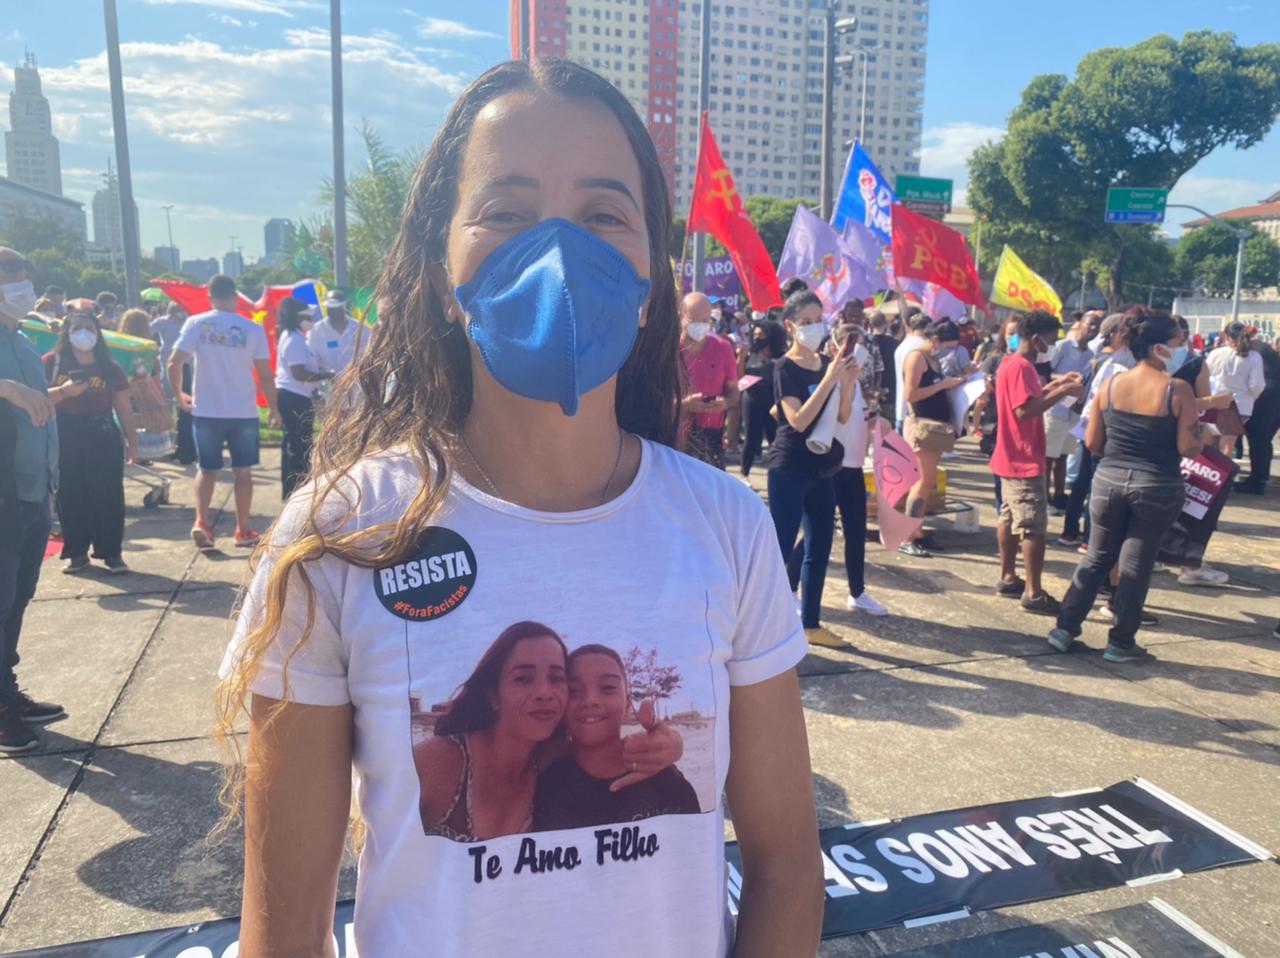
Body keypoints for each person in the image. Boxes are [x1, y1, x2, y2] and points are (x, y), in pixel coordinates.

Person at [215, 59, 822, 958]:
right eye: (506, 211)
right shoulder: (342, 534)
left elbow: (784, 869)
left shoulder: (725, 525)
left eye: (603, 216)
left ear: (654, 273)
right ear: (439, 271)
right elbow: (284, 932)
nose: (559, 254)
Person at [1048, 312, 1203, 662]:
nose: (1184, 349)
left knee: (1096, 557)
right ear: (1160, 349)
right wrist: (1202, 435)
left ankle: (1064, 628)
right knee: (1136, 565)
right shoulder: (1177, 389)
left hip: (1109, 480)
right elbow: (1187, 448)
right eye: (1179, 343)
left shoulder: (1111, 385)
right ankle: (1120, 642)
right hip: (1157, 484)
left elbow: (1092, 442)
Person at [0, 247, 65, 754]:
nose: (20, 289)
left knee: (17, 596)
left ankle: (8, 691)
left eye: (23, 279)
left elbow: (37, 411)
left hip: (30, 486)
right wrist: (7, 389)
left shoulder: (21, 339)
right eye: (11, 280)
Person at [766, 290, 858, 648]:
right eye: (805, 322)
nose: (813, 328)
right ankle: (767, 624)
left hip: (823, 467)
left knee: (819, 545)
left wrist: (846, 382)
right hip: (789, 465)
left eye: (818, 320)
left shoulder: (826, 363)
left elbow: (843, 415)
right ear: (790, 326)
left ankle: (811, 622)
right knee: (780, 546)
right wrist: (829, 378)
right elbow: (799, 420)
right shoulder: (783, 368)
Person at [533, 643, 699, 831]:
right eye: (574, 691)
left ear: (627, 703)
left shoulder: (667, 783)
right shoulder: (548, 785)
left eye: (607, 687)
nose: (590, 700)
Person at [168, 274, 281, 550]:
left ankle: (201, 522)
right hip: (242, 410)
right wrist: (274, 408)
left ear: (210, 297)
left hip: (206, 408)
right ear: (235, 297)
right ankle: (242, 529)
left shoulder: (196, 323)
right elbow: (266, 375)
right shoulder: (251, 329)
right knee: (243, 473)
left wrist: (179, 393)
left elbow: (174, 362)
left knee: (207, 471)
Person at [992, 310, 1084, 615]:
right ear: (1036, 338)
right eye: (1051, 339)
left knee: (1008, 518)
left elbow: (1029, 398)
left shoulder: (1012, 363)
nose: (1054, 344)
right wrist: (1065, 392)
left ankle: (1008, 576)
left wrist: (1058, 387)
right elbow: (1025, 411)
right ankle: (1033, 591)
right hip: (1024, 457)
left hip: (1009, 454)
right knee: (1033, 526)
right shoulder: (1022, 367)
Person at [43, 300, 139, 574]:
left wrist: (133, 442)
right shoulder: (52, 363)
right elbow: (39, 398)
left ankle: (111, 553)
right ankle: (77, 553)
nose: (83, 333)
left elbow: (123, 407)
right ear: (67, 332)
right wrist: (64, 392)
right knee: (70, 493)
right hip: (65, 432)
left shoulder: (110, 368)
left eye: (89, 328)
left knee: (107, 493)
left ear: (97, 334)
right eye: (77, 328)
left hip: (103, 433)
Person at [1059, 312, 1134, 549]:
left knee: (1083, 481)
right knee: (1095, 485)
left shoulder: (1098, 358)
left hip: (1088, 426)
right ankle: (1088, 538)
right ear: (1117, 335)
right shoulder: (1116, 363)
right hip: (1102, 429)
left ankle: (1071, 531)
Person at [826, 323, 887, 616]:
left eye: (863, 345)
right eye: (852, 344)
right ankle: (790, 584)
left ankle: (857, 591)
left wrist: (873, 422)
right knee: (819, 532)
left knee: (856, 531)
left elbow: (856, 419)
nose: (859, 352)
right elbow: (839, 415)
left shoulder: (858, 383)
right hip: (833, 467)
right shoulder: (833, 380)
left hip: (854, 467)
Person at [899, 321, 966, 557]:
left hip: (936, 428)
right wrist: (943, 385)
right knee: (922, 482)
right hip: (923, 427)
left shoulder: (934, 360)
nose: (949, 352)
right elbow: (911, 394)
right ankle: (908, 536)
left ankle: (918, 531)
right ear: (935, 339)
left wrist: (952, 383)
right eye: (947, 346)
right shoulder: (917, 357)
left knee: (927, 482)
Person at [275, 296, 334, 500]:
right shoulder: (294, 340)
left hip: (294, 395)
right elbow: (298, 373)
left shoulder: (294, 336)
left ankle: (291, 490)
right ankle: (297, 491)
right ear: (297, 317)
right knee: (299, 444)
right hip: (295, 396)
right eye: (307, 316)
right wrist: (326, 375)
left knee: (292, 443)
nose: (311, 319)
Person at [1043, 311, 1097, 511]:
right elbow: (1046, 374)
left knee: (1064, 455)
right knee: (1048, 456)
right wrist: (1066, 379)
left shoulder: (1091, 355)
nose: (1093, 328)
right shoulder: (1063, 346)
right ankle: (1044, 495)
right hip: (1055, 408)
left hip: (1074, 410)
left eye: (1097, 325)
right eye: (1090, 323)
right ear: (1080, 324)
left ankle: (1059, 495)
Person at [679, 291, 739, 469]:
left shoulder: (722, 348)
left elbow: (734, 392)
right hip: (676, 438)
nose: (701, 326)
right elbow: (653, 401)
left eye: (706, 321)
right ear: (681, 317)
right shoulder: (668, 351)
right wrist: (683, 405)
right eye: (695, 321)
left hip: (711, 437)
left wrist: (725, 402)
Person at [1204, 321, 1263, 458]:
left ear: (1227, 336)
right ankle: (1224, 476)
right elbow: (1257, 385)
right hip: (1239, 405)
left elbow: (1205, 376)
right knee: (1227, 446)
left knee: (1208, 442)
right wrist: (1252, 396)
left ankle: (1205, 475)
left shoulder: (1216, 353)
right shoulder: (1254, 357)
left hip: (1215, 401)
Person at [739, 318, 785, 477]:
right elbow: (739, 378)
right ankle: (744, 474)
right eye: (756, 335)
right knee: (751, 438)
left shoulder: (781, 356)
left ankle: (776, 471)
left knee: (775, 438)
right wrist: (740, 358)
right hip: (751, 399)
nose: (758, 338)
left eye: (762, 335)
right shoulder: (750, 354)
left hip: (773, 401)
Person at [1236, 334, 1279, 494]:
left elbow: (1256, 383)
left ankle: (1257, 481)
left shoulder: (1254, 352)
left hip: (1265, 398)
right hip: (1273, 396)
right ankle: (1260, 478)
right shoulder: (1263, 349)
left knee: (1258, 440)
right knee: (1263, 440)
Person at [306, 290, 367, 383]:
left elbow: (368, 354)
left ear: (344, 306)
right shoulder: (316, 330)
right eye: (329, 308)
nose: (332, 311)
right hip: (329, 385)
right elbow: (311, 358)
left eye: (336, 308)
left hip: (357, 384)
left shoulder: (360, 329)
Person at [893, 312, 930, 433]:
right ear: (927, 328)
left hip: (901, 408)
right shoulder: (922, 346)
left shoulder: (902, 345)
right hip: (916, 413)